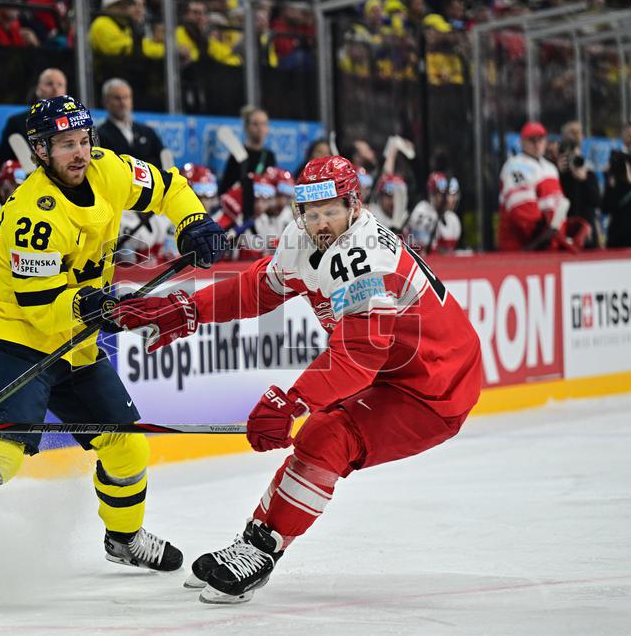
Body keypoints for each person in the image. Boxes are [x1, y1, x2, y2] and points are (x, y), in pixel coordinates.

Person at [0, 95, 226, 603]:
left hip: (71, 336)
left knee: (127, 444)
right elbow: (39, 306)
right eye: (65, 145)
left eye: (83, 140)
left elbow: (169, 186)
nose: (79, 152)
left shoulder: (109, 169)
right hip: (12, 336)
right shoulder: (33, 214)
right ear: (40, 151)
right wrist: (92, 307)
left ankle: (123, 540)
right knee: (1, 449)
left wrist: (192, 221)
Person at [113, 155, 483, 604]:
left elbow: (360, 353)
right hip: (395, 370)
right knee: (322, 436)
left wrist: (293, 401)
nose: (321, 223)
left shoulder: (365, 257)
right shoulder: (302, 238)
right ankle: (256, 540)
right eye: (311, 212)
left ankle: (262, 549)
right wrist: (189, 310)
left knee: (328, 435)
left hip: (434, 386)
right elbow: (257, 289)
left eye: (331, 210)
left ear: (353, 205)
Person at [498, 122, 586, 251]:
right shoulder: (515, 166)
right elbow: (522, 211)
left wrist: (565, 231)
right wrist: (545, 237)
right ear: (522, 142)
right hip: (523, 249)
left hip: (548, 246)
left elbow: (558, 205)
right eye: (532, 140)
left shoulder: (550, 168)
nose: (537, 143)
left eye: (541, 139)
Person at [0, 68, 68, 176]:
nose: (55, 88)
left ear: (65, 92)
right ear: (38, 89)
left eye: (60, 84)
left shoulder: (72, 125)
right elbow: (2, 167)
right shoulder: (16, 124)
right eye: (49, 83)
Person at [216, 106, 277, 227]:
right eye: (255, 124)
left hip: (263, 215)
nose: (260, 128)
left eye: (264, 124)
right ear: (247, 128)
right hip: (240, 215)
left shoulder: (269, 156)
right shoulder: (237, 154)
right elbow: (225, 189)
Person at [96, 78, 165, 168]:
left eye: (126, 97)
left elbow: (164, 160)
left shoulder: (147, 132)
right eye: (117, 98)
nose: (122, 102)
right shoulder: (100, 135)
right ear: (106, 102)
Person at [557, 121, 602, 248]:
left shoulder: (588, 169)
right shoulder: (554, 169)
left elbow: (596, 201)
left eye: (579, 132)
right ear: (564, 137)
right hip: (565, 229)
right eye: (572, 132)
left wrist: (584, 180)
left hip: (587, 231)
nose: (576, 135)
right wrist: (559, 173)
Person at [407, 172, 462, 254]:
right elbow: (419, 251)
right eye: (449, 194)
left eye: (454, 195)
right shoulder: (422, 212)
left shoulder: (452, 218)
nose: (452, 199)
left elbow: (449, 252)